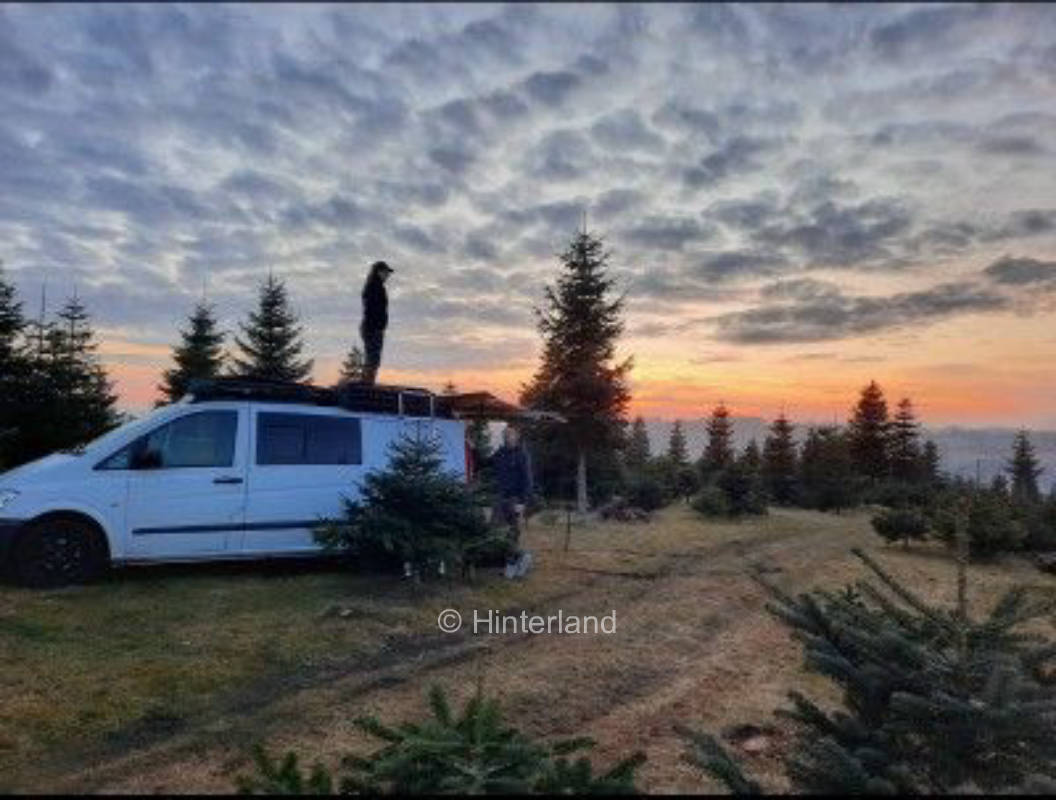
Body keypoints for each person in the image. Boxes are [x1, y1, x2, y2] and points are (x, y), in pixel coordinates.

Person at [490, 424, 533, 578]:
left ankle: (518, 563)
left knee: (513, 534)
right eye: (505, 435)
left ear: (517, 436)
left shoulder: (522, 455)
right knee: (496, 531)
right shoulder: (500, 453)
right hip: (500, 498)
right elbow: (486, 463)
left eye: (510, 434)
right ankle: (506, 562)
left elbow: (527, 480)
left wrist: (522, 503)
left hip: (515, 499)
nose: (507, 437)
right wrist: (471, 447)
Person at [360, 260, 393, 385]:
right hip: (372, 328)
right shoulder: (374, 286)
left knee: (373, 359)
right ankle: (367, 386)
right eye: (386, 272)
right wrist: (377, 326)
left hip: (373, 327)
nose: (388, 275)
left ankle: (367, 384)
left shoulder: (376, 286)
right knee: (373, 360)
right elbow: (371, 308)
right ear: (379, 272)